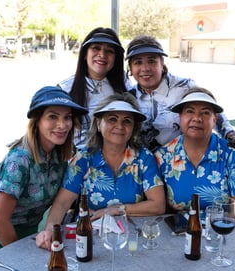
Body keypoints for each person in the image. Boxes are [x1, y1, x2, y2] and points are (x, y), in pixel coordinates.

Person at [0, 86, 88, 271]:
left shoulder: (60, 157)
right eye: (52, 116)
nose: (62, 124)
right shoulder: (20, 160)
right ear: (37, 121)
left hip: (30, 240)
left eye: (67, 117)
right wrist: (20, 256)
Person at [36, 93, 165, 250]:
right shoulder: (83, 159)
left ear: (133, 128)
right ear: (98, 124)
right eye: (112, 119)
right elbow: (62, 203)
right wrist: (49, 231)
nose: (119, 125)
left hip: (130, 238)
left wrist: (115, 210)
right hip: (88, 238)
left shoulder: (144, 158)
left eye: (127, 121)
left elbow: (158, 205)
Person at [154, 87, 235, 224]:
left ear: (215, 120)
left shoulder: (232, 155)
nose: (197, 118)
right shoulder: (163, 157)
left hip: (221, 236)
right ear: (180, 117)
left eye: (205, 113)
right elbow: (158, 207)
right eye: (189, 111)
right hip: (178, 235)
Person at [126, 35, 235, 152]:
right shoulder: (128, 97)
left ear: (162, 63)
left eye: (151, 61)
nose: (145, 68)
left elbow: (212, 112)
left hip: (180, 163)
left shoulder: (185, 87)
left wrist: (231, 136)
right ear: (130, 67)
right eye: (138, 62)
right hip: (142, 165)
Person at [58, 27, 131, 150]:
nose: (102, 54)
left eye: (109, 51)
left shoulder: (125, 86)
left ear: (116, 59)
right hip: (75, 160)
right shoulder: (65, 89)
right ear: (85, 54)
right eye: (96, 48)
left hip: (115, 159)